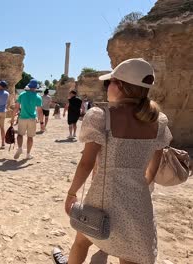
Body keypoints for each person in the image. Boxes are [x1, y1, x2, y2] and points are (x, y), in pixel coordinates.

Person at [63, 58, 172, 264]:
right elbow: (154, 165)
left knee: (82, 241)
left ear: (120, 86)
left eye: (110, 82)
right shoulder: (159, 120)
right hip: (138, 197)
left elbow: (86, 163)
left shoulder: (101, 117)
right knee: (130, 252)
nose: (107, 87)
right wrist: (139, 184)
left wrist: (71, 193)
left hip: (103, 194)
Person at [10, 79, 44, 160]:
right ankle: (28, 154)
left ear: (29, 86)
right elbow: (40, 112)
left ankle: (20, 148)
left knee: (20, 135)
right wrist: (42, 123)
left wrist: (12, 118)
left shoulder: (22, 95)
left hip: (22, 118)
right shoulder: (38, 97)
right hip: (32, 119)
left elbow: (16, 108)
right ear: (36, 87)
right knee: (30, 137)